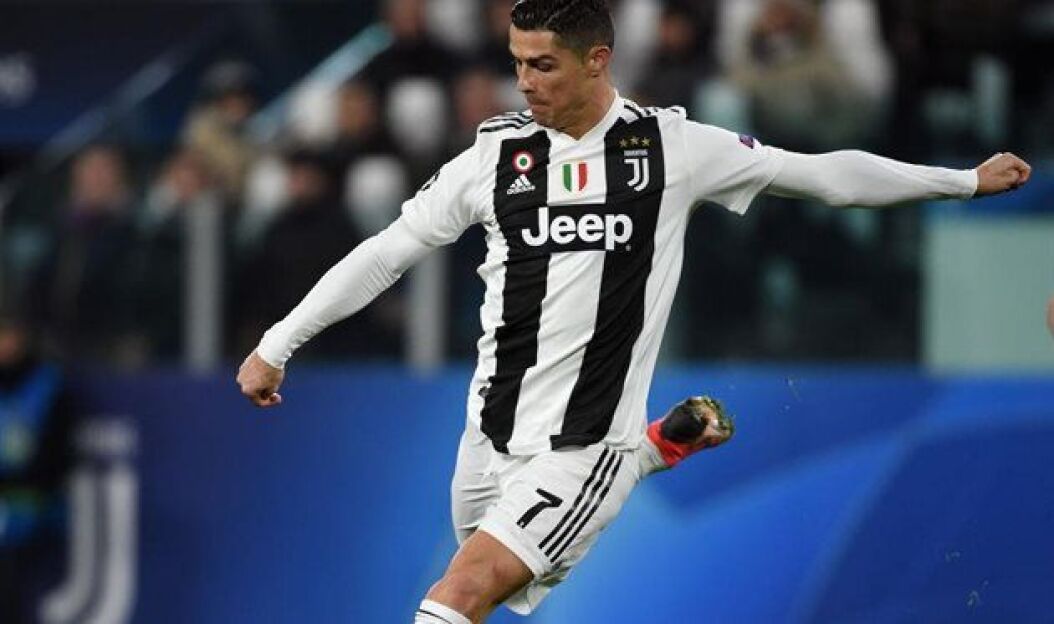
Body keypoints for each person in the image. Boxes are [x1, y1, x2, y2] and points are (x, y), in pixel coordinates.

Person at [236, 1, 1032, 622]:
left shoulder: (670, 149)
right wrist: (278, 342)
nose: (526, 83)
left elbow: (822, 174)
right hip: (485, 440)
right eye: (517, 63)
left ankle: (634, 455)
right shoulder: (495, 156)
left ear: (597, 60)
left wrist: (960, 181)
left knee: (456, 595)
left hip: (583, 447)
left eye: (543, 65)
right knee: (469, 595)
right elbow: (387, 251)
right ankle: (656, 450)